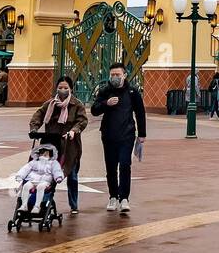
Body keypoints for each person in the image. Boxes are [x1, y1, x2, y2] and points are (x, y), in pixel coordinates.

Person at [90, 62, 146, 214]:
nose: (115, 77)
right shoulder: (105, 91)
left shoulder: (133, 92)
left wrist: (142, 135)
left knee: (125, 165)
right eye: (112, 75)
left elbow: (140, 113)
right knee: (111, 167)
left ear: (124, 75)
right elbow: (94, 110)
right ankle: (113, 196)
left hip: (127, 135)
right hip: (108, 135)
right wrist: (105, 103)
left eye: (117, 75)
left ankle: (124, 198)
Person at [31, 76, 89, 214]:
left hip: (70, 146)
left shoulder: (77, 105)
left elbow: (82, 121)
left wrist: (74, 131)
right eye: (60, 88)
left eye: (66, 88)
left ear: (71, 89)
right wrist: (34, 128)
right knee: (48, 175)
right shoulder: (50, 104)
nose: (62, 90)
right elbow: (38, 115)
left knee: (72, 175)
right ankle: (45, 201)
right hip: (51, 144)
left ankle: (74, 205)